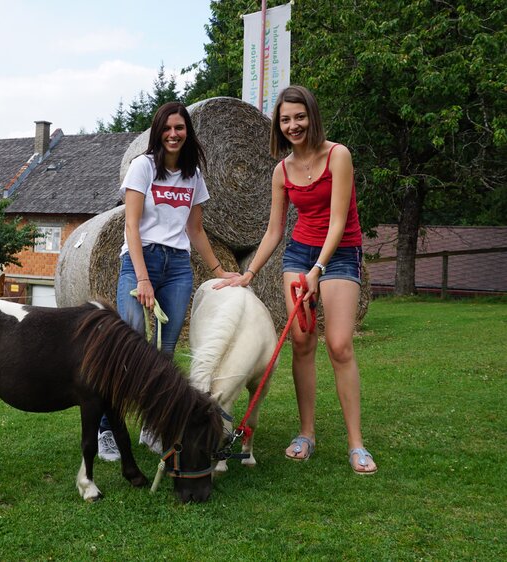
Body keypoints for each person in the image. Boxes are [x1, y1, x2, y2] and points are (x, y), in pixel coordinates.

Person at [215, 85, 377, 474]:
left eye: (299, 117)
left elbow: (338, 222)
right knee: (301, 341)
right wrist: (249, 273)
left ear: (312, 116)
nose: (293, 125)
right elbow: (273, 231)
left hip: (339, 254)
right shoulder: (281, 170)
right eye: (285, 119)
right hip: (299, 253)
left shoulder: (338, 156)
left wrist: (318, 271)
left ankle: (356, 443)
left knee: (339, 345)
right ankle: (306, 433)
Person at [97, 101, 239, 461]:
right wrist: (142, 278)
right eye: (167, 128)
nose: (174, 134)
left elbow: (195, 229)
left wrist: (219, 270)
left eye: (180, 128)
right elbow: (130, 225)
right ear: (158, 132)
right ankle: (106, 428)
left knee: (164, 353)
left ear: (187, 131)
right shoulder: (143, 167)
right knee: (126, 348)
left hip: (177, 266)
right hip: (139, 261)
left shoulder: (192, 176)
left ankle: (152, 425)